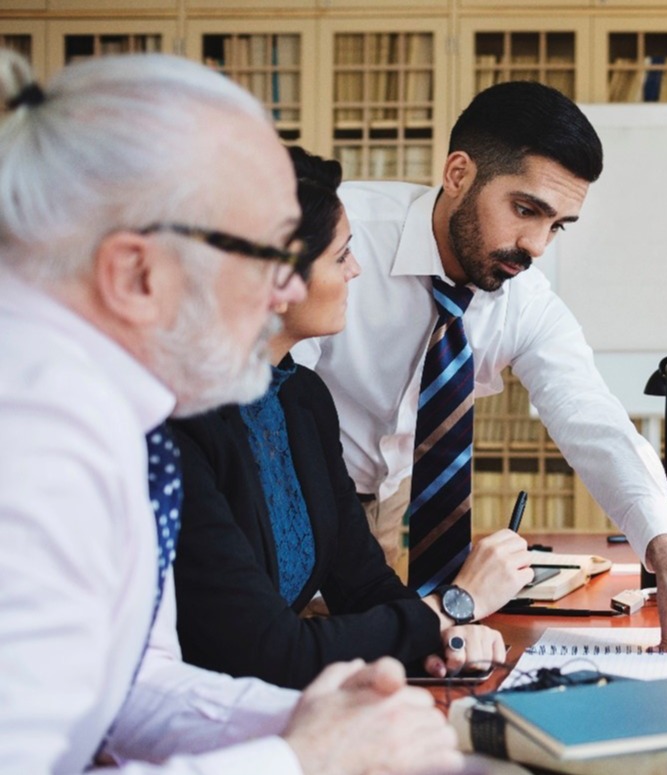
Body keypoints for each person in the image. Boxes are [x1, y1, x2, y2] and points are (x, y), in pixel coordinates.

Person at [0, 51, 461, 774]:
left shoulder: (122, 415)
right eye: (269, 259)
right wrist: (304, 760)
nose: (284, 295)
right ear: (137, 273)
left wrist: (308, 719)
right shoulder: (27, 441)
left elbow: (129, 690)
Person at [294, 79, 667, 657]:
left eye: (557, 225)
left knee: (401, 664)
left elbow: (594, 423)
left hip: (387, 505)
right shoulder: (343, 240)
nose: (537, 246)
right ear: (458, 174)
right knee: (301, 656)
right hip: (295, 487)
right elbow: (272, 398)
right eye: (525, 209)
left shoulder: (524, 299)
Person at [170, 146, 511, 689]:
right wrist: (446, 610)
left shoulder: (302, 398)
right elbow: (267, 651)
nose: (356, 270)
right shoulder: (181, 423)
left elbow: (363, 582)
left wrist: (441, 638)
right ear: (277, 279)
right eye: (340, 256)